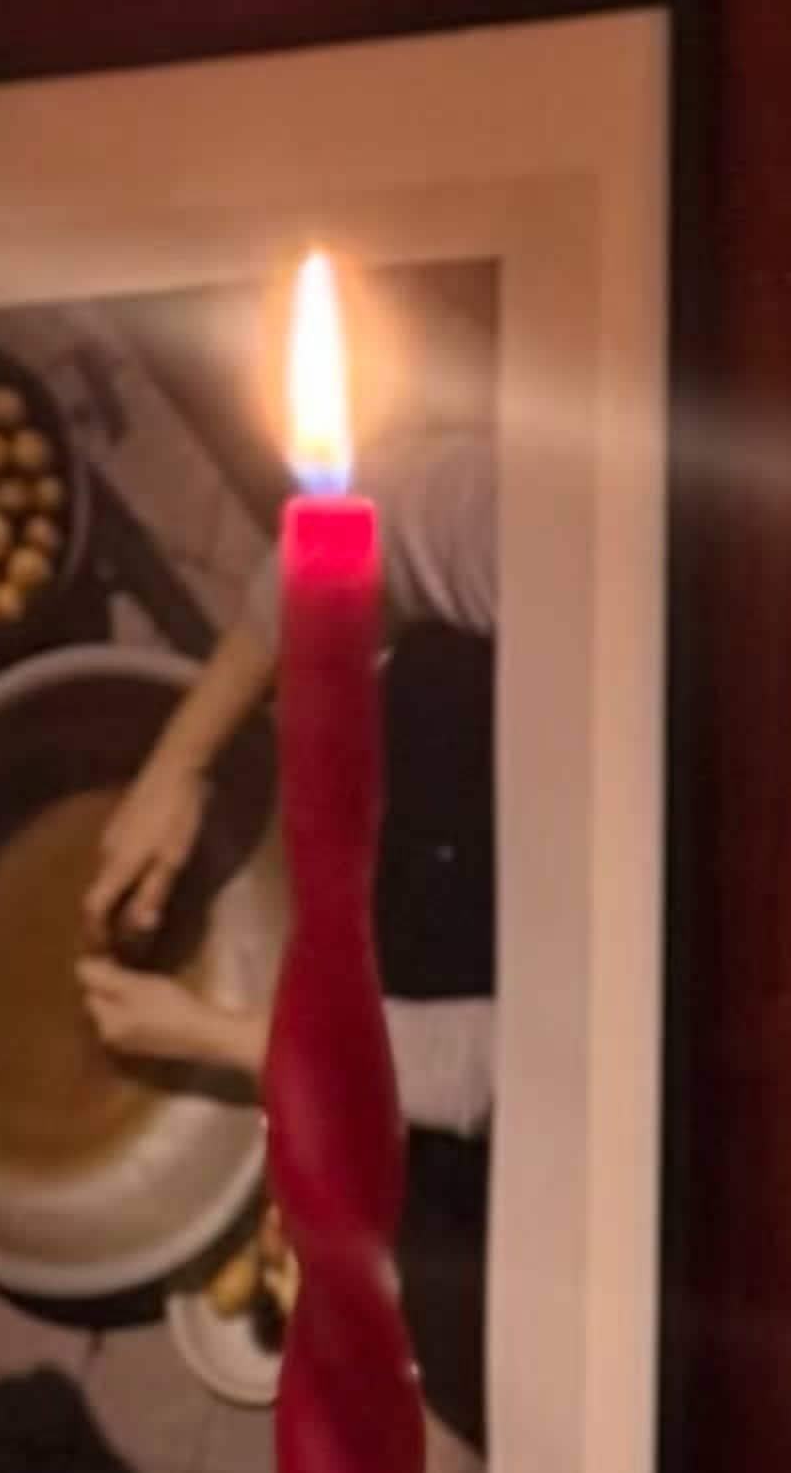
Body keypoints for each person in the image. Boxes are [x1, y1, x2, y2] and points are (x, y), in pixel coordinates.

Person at [74, 424, 497, 1135]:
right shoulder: (589, 542)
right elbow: (378, 517)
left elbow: (519, 1072)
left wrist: (218, 1035)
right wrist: (179, 760)